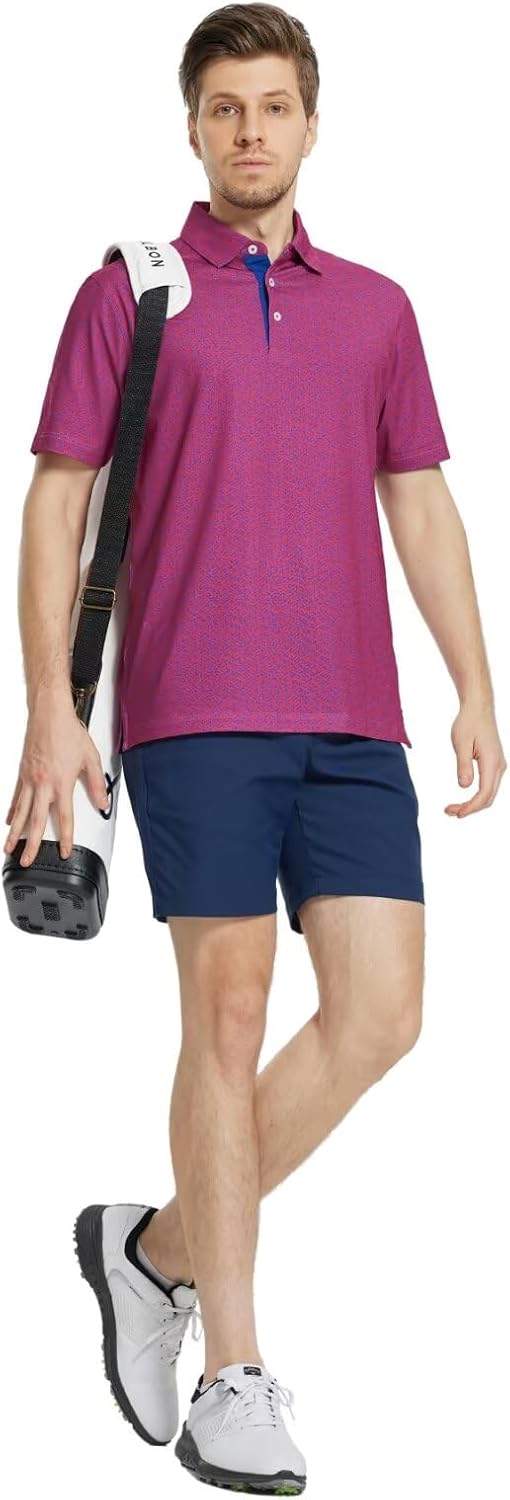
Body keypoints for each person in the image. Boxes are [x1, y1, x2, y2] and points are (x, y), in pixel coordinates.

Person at [4, 4, 506, 1494]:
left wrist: (473, 684)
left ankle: (152, 1250)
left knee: (382, 1019)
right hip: (195, 706)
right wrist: (50, 708)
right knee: (224, 1022)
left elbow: (419, 497)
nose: (249, 132)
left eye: (273, 106)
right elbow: (56, 499)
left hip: (353, 714)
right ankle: (233, 1367)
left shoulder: (378, 308)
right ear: (191, 126)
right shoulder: (129, 294)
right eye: (224, 108)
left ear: (311, 123)